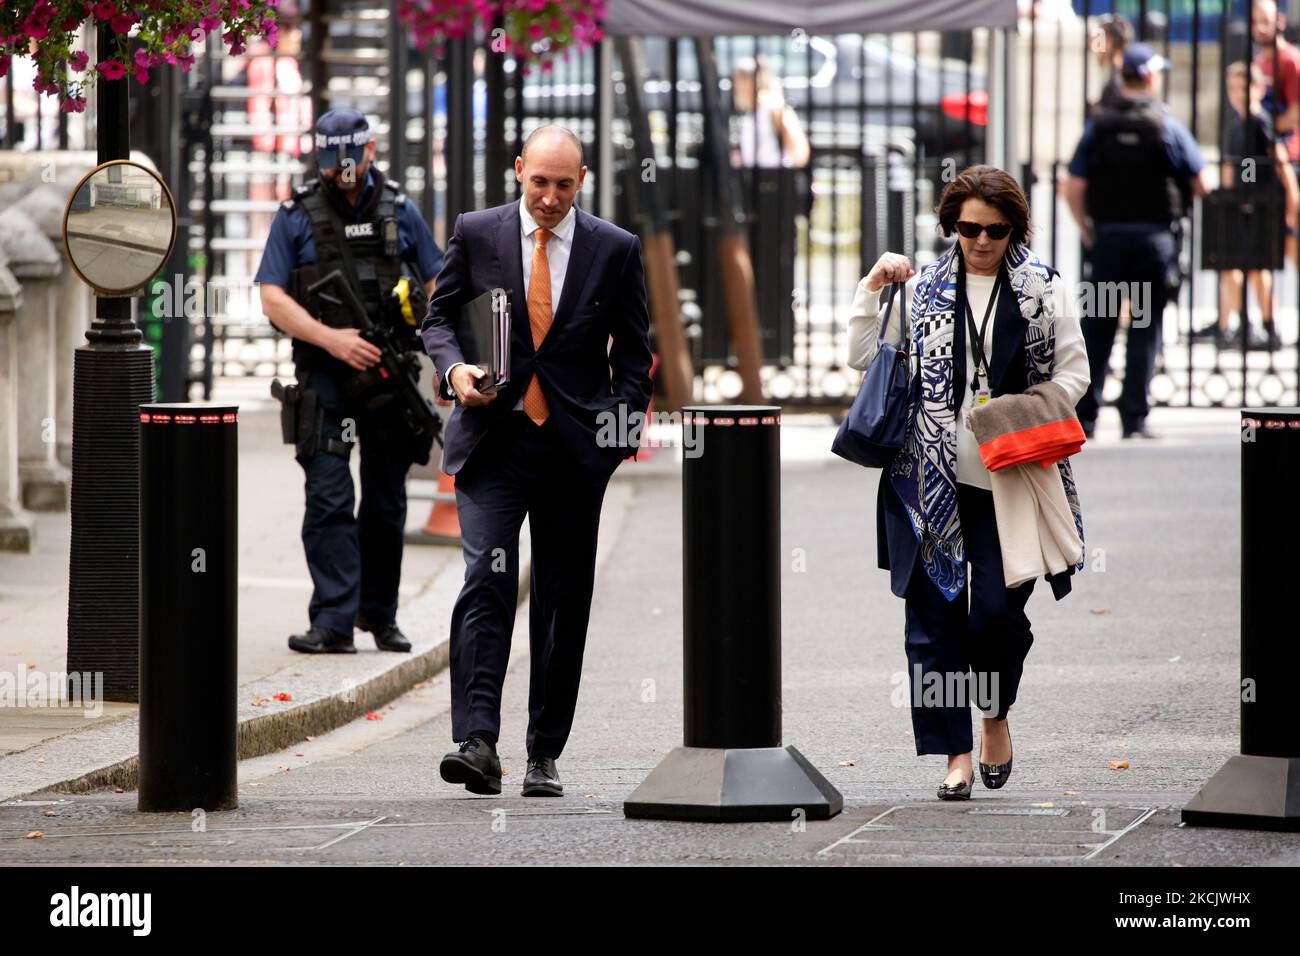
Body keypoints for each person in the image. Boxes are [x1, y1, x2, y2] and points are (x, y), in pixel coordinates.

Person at [421, 125, 654, 798]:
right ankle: (477, 742)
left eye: (563, 185)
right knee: (486, 582)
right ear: (518, 171)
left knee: (561, 600)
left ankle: (543, 753)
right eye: (538, 183)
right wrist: (455, 368)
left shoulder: (615, 249)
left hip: (574, 451)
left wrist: (611, 443)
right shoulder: (477, 230)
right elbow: (438, 320)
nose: (549, 198)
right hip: (494, 442)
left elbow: (635, 359)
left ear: (581, 182)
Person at [847, 165, 1091, 800]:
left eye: (995, 230)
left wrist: (1013, 415)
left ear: (1016, 228)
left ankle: (994, 716)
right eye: (967, 229)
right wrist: (873, 288)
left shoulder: (1045, 291)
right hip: (928, 479)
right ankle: (954, 753)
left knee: (993, 618)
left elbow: (1074, 375)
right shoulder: (924, 288)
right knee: (931, 623)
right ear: (950, 226)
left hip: (1014, 479)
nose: (981, 241)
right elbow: (866, 358)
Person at [255, 109, 443, 654]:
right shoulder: (295, 215)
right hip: (327, 374)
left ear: (369, 150)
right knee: (329, 495)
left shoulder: (400, 211)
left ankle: (379, 616)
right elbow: (271, 295)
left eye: (349, 158)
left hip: (388, 374)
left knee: (386, 501)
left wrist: (446, 360)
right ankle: (334, 621)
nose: (342, 170)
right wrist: (330, 338)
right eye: (331, 160)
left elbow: (439, 281)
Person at [1065, 43, 1212, 440]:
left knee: (1098, 328)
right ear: (1149, 77)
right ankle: (1133, 418)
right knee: (1145, 327)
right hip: (1151, 243)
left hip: (1109, 243)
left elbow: (1073, 185)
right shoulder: (1165, 124)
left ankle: (1086, 418)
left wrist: (1086, 228)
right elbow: (1202, 182)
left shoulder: (1098, 125)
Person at [1198, 61, 1298, 350]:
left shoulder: (1259, 121)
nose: (1238, 94)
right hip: (1238, 204)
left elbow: (1278, 160)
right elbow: (1232, 167)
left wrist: (1291, 201)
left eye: (1245, 87)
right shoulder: (1236, 124)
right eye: (1233, 88)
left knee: (1257, 268)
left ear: (1259, 89)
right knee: (1234, 266)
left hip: (1260, 204)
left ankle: (1268, 326)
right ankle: (1232, 324)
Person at [1252, 0, 1300, 165]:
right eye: (1255, 22)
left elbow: (1295, 115)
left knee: (1280, 187)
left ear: (1279, 21)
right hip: (1257, 150)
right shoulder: (1257, 62)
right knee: (1246, 179)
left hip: (1285, 153)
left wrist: (1261, 129)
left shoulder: (1291, 61)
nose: (1260, 28)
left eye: (1265, 21)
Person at [1089, 13, 1134, 113]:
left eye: (1097, 39)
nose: (1091, 44)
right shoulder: (1106, 70)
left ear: (1109, 41)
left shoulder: (1119, 78)